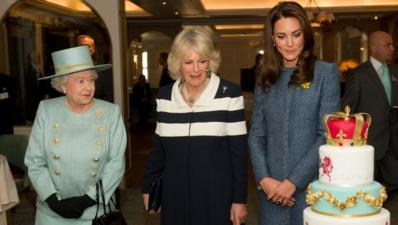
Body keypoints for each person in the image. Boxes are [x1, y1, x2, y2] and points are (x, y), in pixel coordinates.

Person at [142, 26, 248, 225]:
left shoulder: (229, 94)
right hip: (174, 194)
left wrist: (239, 200)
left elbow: (238, 155)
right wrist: (148, 187)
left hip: (216, 196)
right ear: (177, 64)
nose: (196, 69)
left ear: (210, 61)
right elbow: (158, 149)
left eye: (202, 61)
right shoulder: (165, 96)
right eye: (188, 62)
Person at [248, 2, 340, 225]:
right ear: (272, 39)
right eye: (281, 36)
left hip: (311, 190)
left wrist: (292, 182)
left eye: (295, 34)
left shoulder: (325, 73)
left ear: (305, 35)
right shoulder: (265, 76)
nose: (289, 44)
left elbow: (326, 134)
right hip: (271, 191)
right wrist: (264, 179)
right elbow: (256, 134)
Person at [24, 46, 127, 225]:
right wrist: (53, 201)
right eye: (80, 81)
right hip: (52, 214)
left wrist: (86, 200)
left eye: (91, 80)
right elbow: (35, 161)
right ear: (63, 85)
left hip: (95, 212)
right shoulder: (46, 110)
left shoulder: (110, 113)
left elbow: (116, 163)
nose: (88, 87)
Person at [342, 31, 398, 194]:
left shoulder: (396, 72)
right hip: (369, 143)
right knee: (367, 186)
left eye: (392, 45)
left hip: (394, 143)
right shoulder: (359, 74)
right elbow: (348, 109)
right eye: (387, 45)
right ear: (374, 48)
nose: (392, 49)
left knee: (395, 180)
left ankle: (380, 204)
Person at [77, 34, 114, 102]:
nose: (84, 49)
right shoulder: (70, 72)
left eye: (88, 46)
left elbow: (109, 97)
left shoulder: (104, 71)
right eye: (81, 46)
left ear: (93, 50)